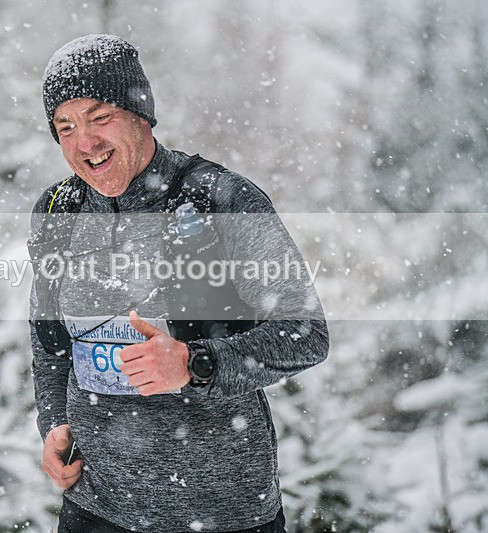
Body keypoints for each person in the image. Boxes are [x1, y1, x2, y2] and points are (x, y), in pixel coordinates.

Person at [28, 34, 328, 533]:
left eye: (101, 118)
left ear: (142, 113)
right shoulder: (59, 211)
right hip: (97, 509)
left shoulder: (220, 200)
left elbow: (305, 334)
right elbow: (48, 340)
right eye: (66, 127)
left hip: (221, 513)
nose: (86, 143)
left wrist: (195, 362)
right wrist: (54, 421)